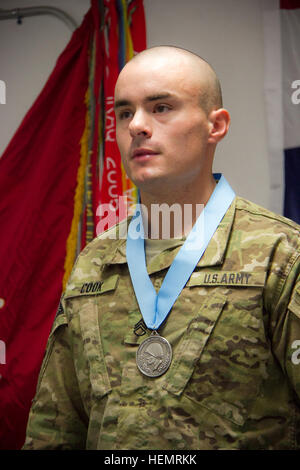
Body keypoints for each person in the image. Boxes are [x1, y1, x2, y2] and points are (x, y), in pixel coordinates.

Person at [23, 46, 300, 450]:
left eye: (162, 107)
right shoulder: (95, 263)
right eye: (124, 113)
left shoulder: (281, 255)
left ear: (215, 125)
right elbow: (55, 427)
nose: (137, 125)